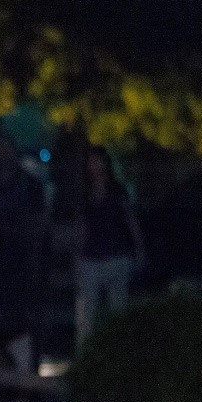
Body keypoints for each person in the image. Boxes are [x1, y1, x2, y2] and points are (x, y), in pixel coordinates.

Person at [0, 123, 47, 402]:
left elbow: (38, 223)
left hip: (25, 260)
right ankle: (14, 390)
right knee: (7, 325)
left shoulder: (29, 185)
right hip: (2, 262)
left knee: (27, 324)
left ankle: (30, 392)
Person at [74, 145, 145, 346]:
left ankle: (119, 352)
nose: (94, 166)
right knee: (86, 313)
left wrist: (139, 248)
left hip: (117, 255)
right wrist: (77, 256)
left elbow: (130, 221)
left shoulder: (117, 191)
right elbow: (82, 227)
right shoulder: (85, 193)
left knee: (118, 311)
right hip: (92, 256)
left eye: (97, 160)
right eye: (91, 162)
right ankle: (85, 352)